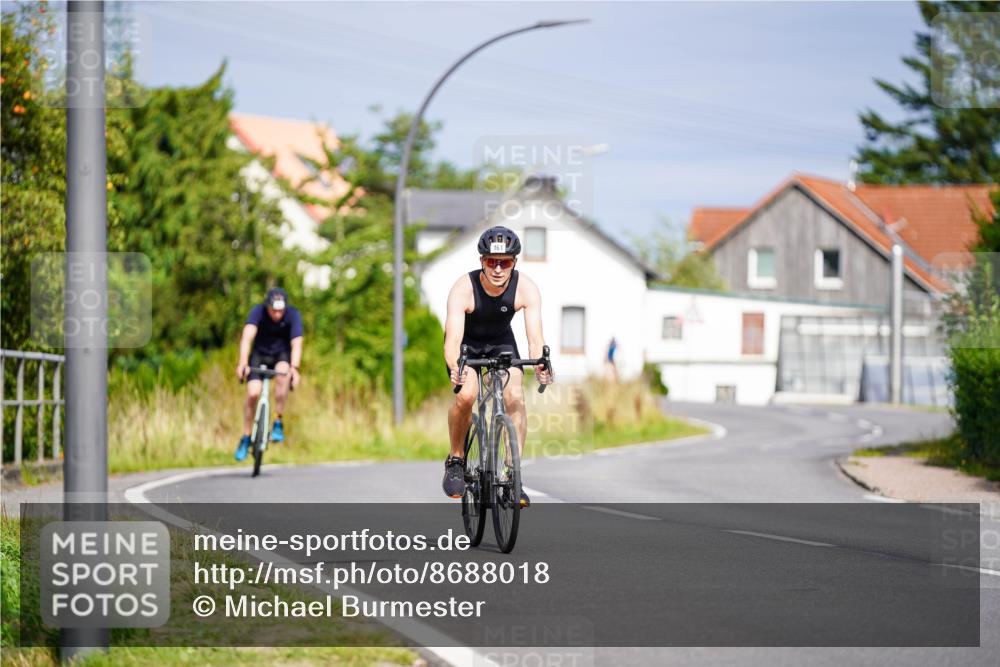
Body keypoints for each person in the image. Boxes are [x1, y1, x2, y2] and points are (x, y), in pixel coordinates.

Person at [442, 226, 553, 507]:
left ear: (514, 263)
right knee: (467, 395)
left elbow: (535, 338)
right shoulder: (463, 289)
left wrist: (540, 364)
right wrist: (456, 366)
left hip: (501, 342)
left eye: (504, 263)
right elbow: (452, 340)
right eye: (491, 261)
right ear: (481, 261)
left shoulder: (526, 288)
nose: (498, 269)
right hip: (467, 345)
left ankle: (511, 477)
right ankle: (456, 458)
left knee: (514, 396)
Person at [234, 287, 303, 460]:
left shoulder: (293, 315)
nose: (278, 314)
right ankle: (246, 436)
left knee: (283, 374)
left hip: (281, 355)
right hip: (259, 355)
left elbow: (297, 343)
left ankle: (278, 420)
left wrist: (295, 368)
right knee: (253, 393)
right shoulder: (258, 312)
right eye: (274, 310)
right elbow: (247, 336)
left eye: (281, 310)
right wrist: (243, 362)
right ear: (267, 307)